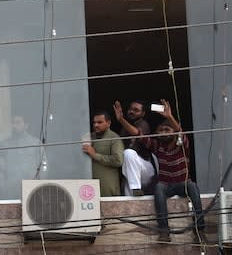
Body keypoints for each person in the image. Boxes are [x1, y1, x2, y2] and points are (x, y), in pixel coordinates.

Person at [117, 99, 205, 243]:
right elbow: (138, 134)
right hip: (167, 185)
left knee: (193, 186)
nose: (163, 133)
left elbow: (180, 132)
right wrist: (121, 120)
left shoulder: (181, 145)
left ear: (173, 133)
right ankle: (164, 231)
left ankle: (199, 229)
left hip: (183, 184)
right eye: (160, 130)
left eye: (167, 130)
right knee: (159, 188)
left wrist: (169, 116)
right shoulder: (157, 146)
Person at [0, 114, 44, 199]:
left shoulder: (35, 143)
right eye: (13, 123)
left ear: (26, 125)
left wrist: (40, 184)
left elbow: (44, 165)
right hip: (12, 190)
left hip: (32, 188)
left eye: (18, 122)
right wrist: (3, 168)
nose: (14, 126)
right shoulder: (6, 144)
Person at [113, 100, 158, 196]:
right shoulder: (124, 128)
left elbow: (136, 133)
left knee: (129, 153)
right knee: (128, 197)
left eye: (136, 110)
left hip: (145, 169)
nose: (131, 111)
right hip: (132, 172)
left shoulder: (143, 124)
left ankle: (136, 188)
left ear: (143, 113)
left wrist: (121, 119)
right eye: (130, 109)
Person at [82, 111, 124, 197]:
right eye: (94, 122)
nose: (96, 125)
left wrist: (95, 155)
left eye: (100, 122)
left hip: (107, 188)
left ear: (108, 123)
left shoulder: (114, 138)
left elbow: (118, 161)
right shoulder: (89, 137)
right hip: (88, 189)